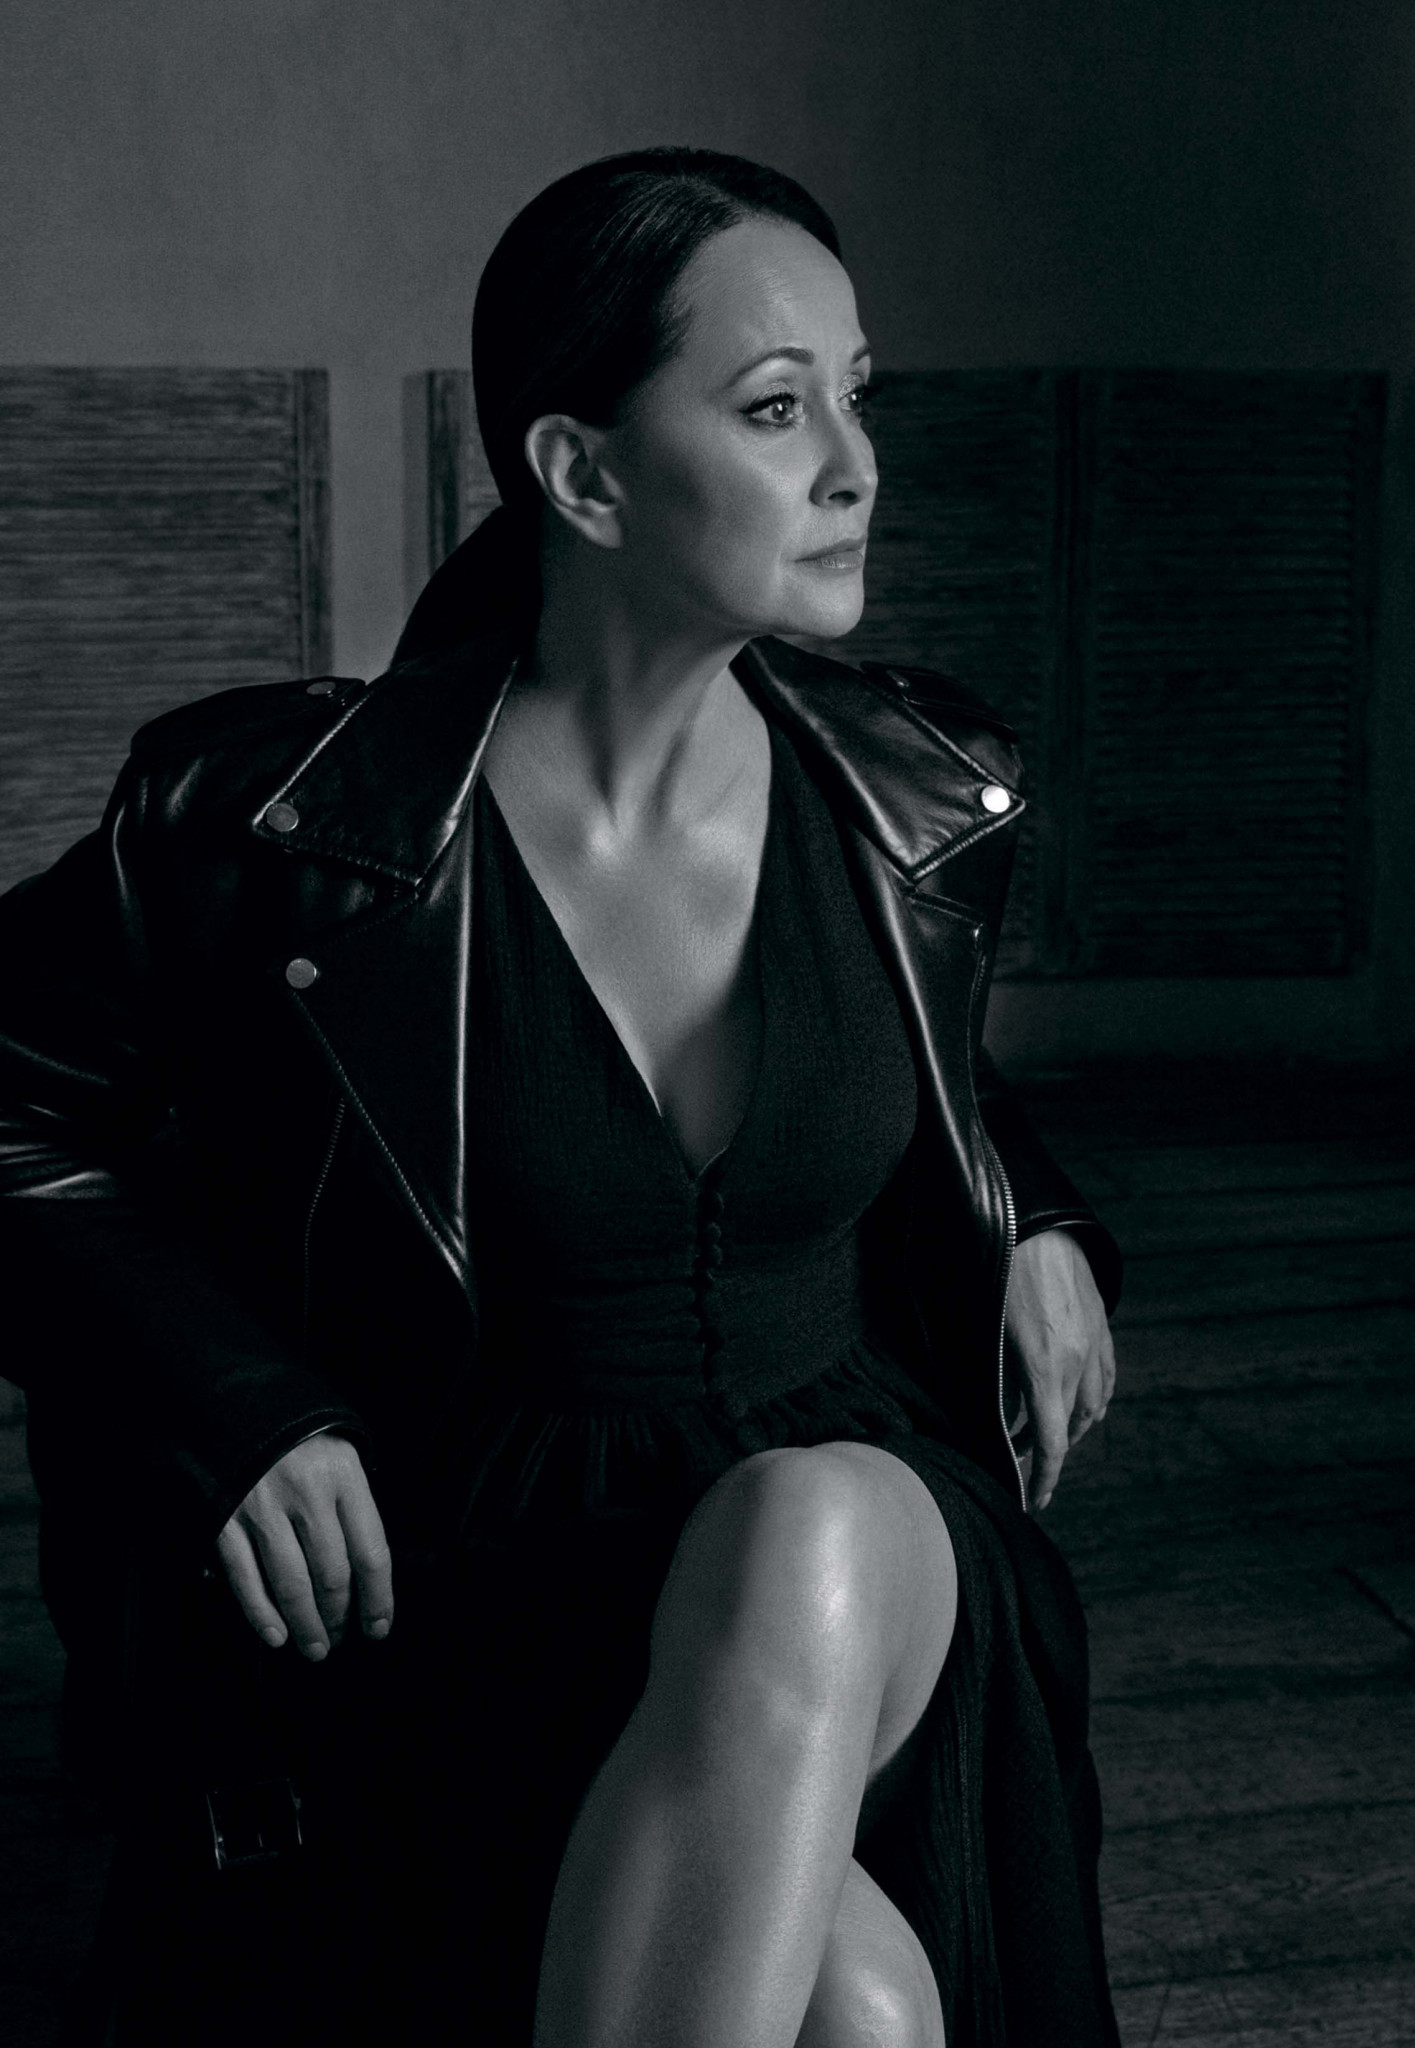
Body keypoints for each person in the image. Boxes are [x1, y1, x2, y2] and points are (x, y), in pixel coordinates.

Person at [0, 148, 1121, 2047]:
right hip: (473, 1559)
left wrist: (1032, 1213)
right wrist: (234, 1407)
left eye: (860, 395)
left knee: (809, 1526)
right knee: (856, 2012)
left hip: (863, 1534)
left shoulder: (922, 792)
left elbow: (908, 1064)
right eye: (777, 408)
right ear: (583, 475)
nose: (857, 466)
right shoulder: (279, 824)